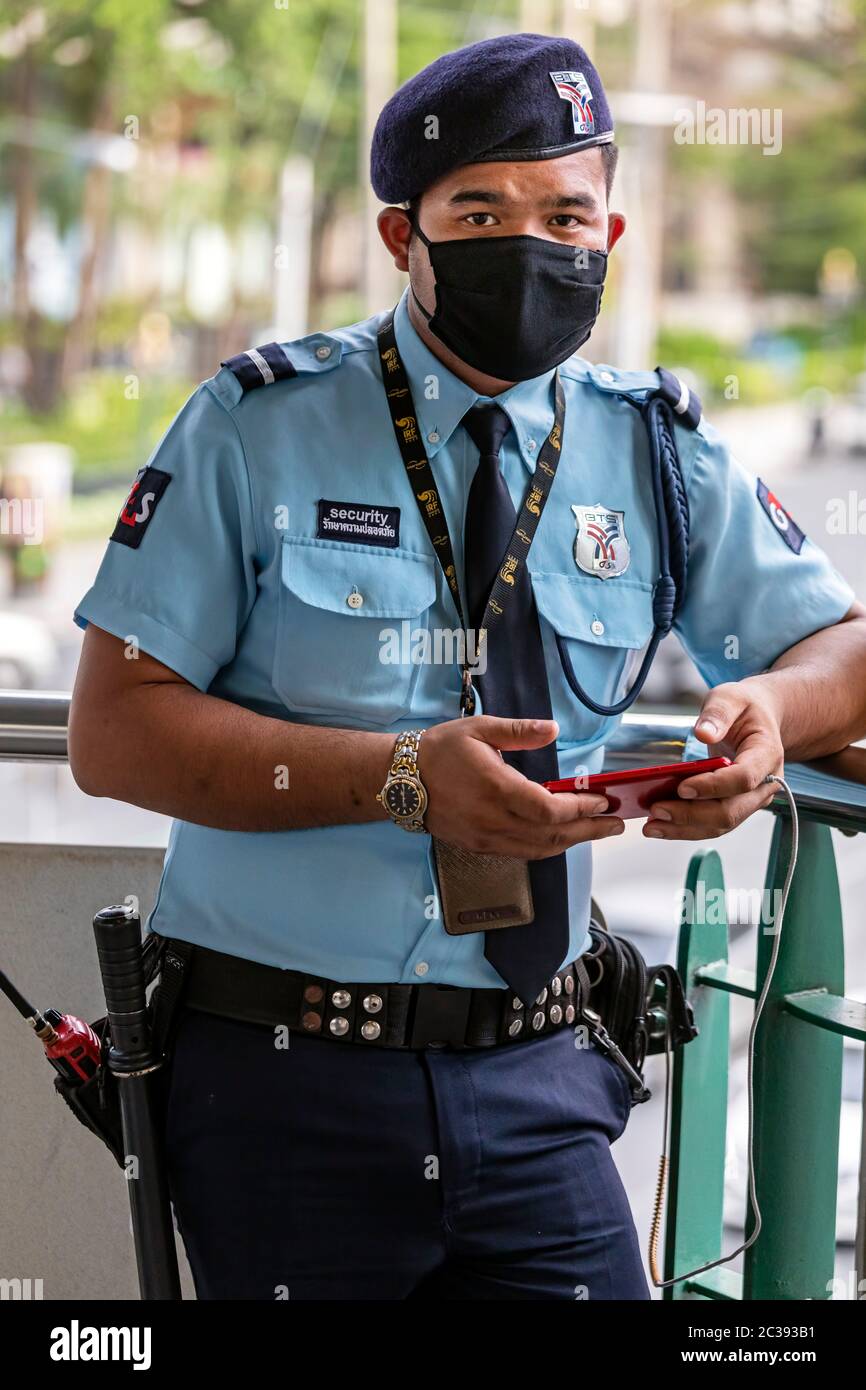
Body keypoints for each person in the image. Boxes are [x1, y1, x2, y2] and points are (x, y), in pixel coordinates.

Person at [68, 33, 866, 1301]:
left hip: (542, 1075)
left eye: (567, 214)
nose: (533, 244)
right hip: (283, 1076)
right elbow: (112, 735)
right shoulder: (257, 423)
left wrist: (766, 717)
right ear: (404, 238)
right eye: (481, 210)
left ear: (610, 240)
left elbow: (842, 645)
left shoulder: (649, 452)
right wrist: (398, 777)